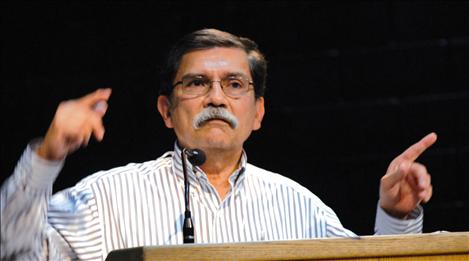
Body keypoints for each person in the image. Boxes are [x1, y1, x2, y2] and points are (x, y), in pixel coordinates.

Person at [1, 29, 436, 260]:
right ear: (166, 111)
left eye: (233, 84)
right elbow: (14, 249)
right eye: (196, 83)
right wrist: (47, 156)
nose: (215, 97)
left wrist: (396, 216)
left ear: (258, 113)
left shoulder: (301, 207)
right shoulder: (102, 198)